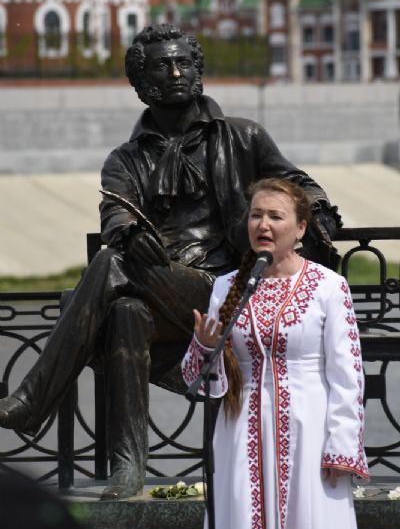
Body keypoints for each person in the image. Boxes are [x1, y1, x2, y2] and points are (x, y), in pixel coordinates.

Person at [0, 24, 341, 501]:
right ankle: (128, 468)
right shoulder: (124, 160)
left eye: (185, 63)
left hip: (228, 292)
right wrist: (129, 231)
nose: (178, 73)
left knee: (110, 265)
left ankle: (33, 401)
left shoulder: (242, 136)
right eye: (163, 66)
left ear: (198, 71)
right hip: (162, 294)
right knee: (126, 313)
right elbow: (115, 210)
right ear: (142, 83)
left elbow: (296, 183)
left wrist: (318, 209)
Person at [182, 178, 369, 529]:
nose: (263, 225)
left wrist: (341, 445)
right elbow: (199, 380)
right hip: (240, 431)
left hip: (310, 431)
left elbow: (347, 375)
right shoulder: (226, 286)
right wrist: (205, 347)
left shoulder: (328, 286)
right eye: (256, 215)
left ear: (300, 229)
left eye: (275, 216)